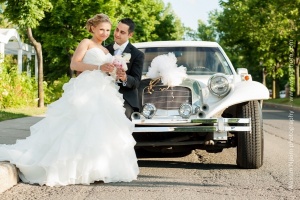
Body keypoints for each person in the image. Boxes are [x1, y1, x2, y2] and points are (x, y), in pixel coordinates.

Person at [0, 13, 139, 187]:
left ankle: (97, 168)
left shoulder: (106, 50)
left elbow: (108, 71)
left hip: (104, 90)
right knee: (77, 126)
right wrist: (98, 67)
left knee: (99, 128)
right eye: (102, 29)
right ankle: (68, 168)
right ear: (93, 28)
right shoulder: (86, 43)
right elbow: (75, 64)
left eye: (108, 30)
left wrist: (114, 71)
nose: (105, 33)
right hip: (86, 89)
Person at [106, 18, 144, 119]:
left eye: (122, 32)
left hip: (125, 98)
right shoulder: (104, 49)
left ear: (130, 35)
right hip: (104, 93)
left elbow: (136, 82)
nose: (117, 34)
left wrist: (125, 77)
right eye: (116, 30)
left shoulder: (137, 54)